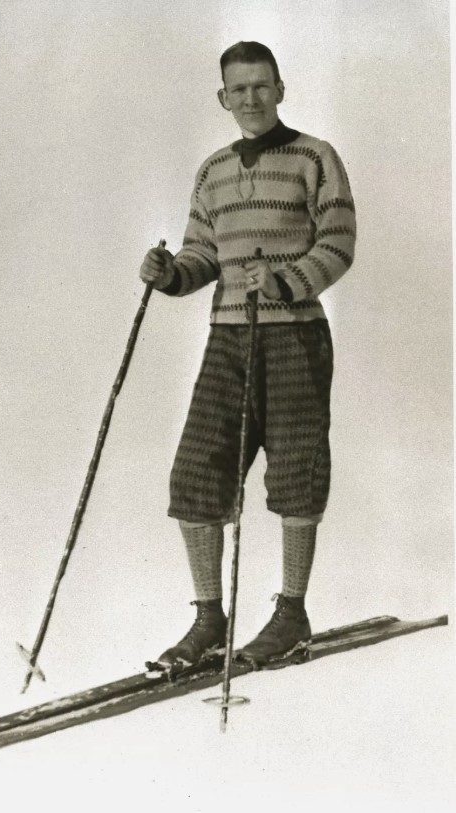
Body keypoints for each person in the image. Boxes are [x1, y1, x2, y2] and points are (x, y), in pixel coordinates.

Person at [140, 41, 356, 670]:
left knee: (296, 470)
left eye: (262, 86)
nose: (251, 99)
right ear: (223, 97)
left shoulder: (315, 157)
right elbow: (202, 255)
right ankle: (210, 619)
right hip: (229, 337)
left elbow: (338, 242)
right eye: (239, 90)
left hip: (294, 335)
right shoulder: (211, 171)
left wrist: (287, 279)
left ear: (281, 89)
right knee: (196, 472)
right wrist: (169, 272)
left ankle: (291, 614)